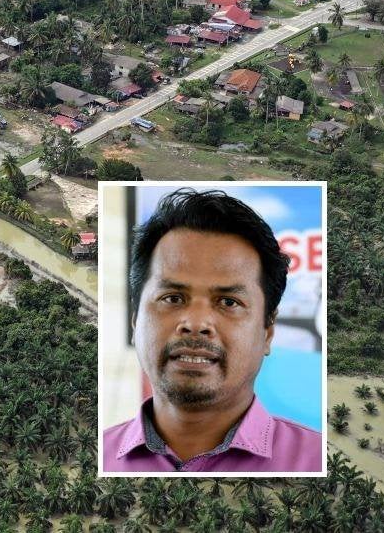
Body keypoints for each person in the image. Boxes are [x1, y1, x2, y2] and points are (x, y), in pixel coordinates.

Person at [103, 189, 322, 473]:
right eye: (172, 298)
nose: (196, 323)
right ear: (135, 321)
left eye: (228, 302)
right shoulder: (91, 457)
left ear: (268, 331)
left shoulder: (319, 461)